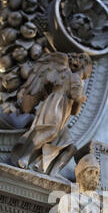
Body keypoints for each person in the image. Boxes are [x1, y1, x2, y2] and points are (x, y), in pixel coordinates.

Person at [11, 52, 92, 181]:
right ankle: (25, 156)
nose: (90, 72)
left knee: (71, 147)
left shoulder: (73, 78)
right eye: (90, 68)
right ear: (84, 65)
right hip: (55, 106)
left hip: (62, 113)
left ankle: (52, 172)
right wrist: (81, 98)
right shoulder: (74, 78)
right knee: (50, 131)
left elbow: (75, 112)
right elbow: (75, 95)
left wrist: (79, 100)